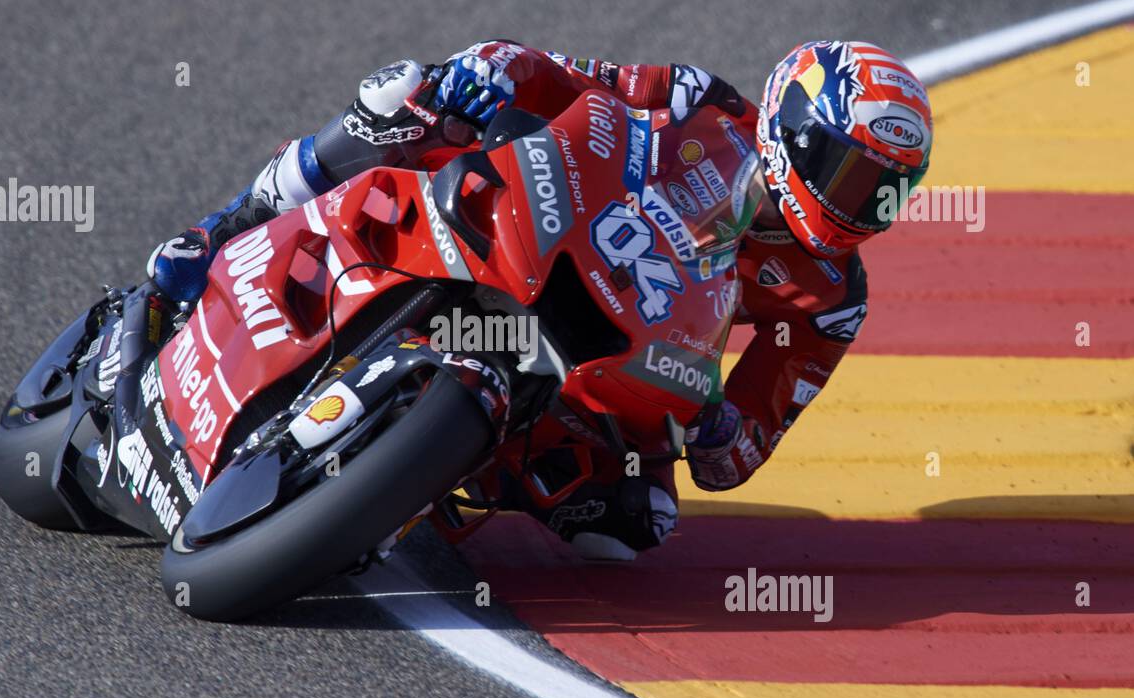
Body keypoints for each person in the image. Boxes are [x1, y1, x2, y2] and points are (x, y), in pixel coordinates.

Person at [147, 40, 933, 560]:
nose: (859, 208)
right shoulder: (702, 103)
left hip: (635, 343)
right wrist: (493, 72)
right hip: (550, 228)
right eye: (851, 174)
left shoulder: (830, 301)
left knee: (638, 526)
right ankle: (227, 227)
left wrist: (725, 426)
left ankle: (451, 468)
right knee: (406, 99)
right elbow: (566, 75)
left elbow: (740, 455)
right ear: (794, 135)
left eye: (885, 193)